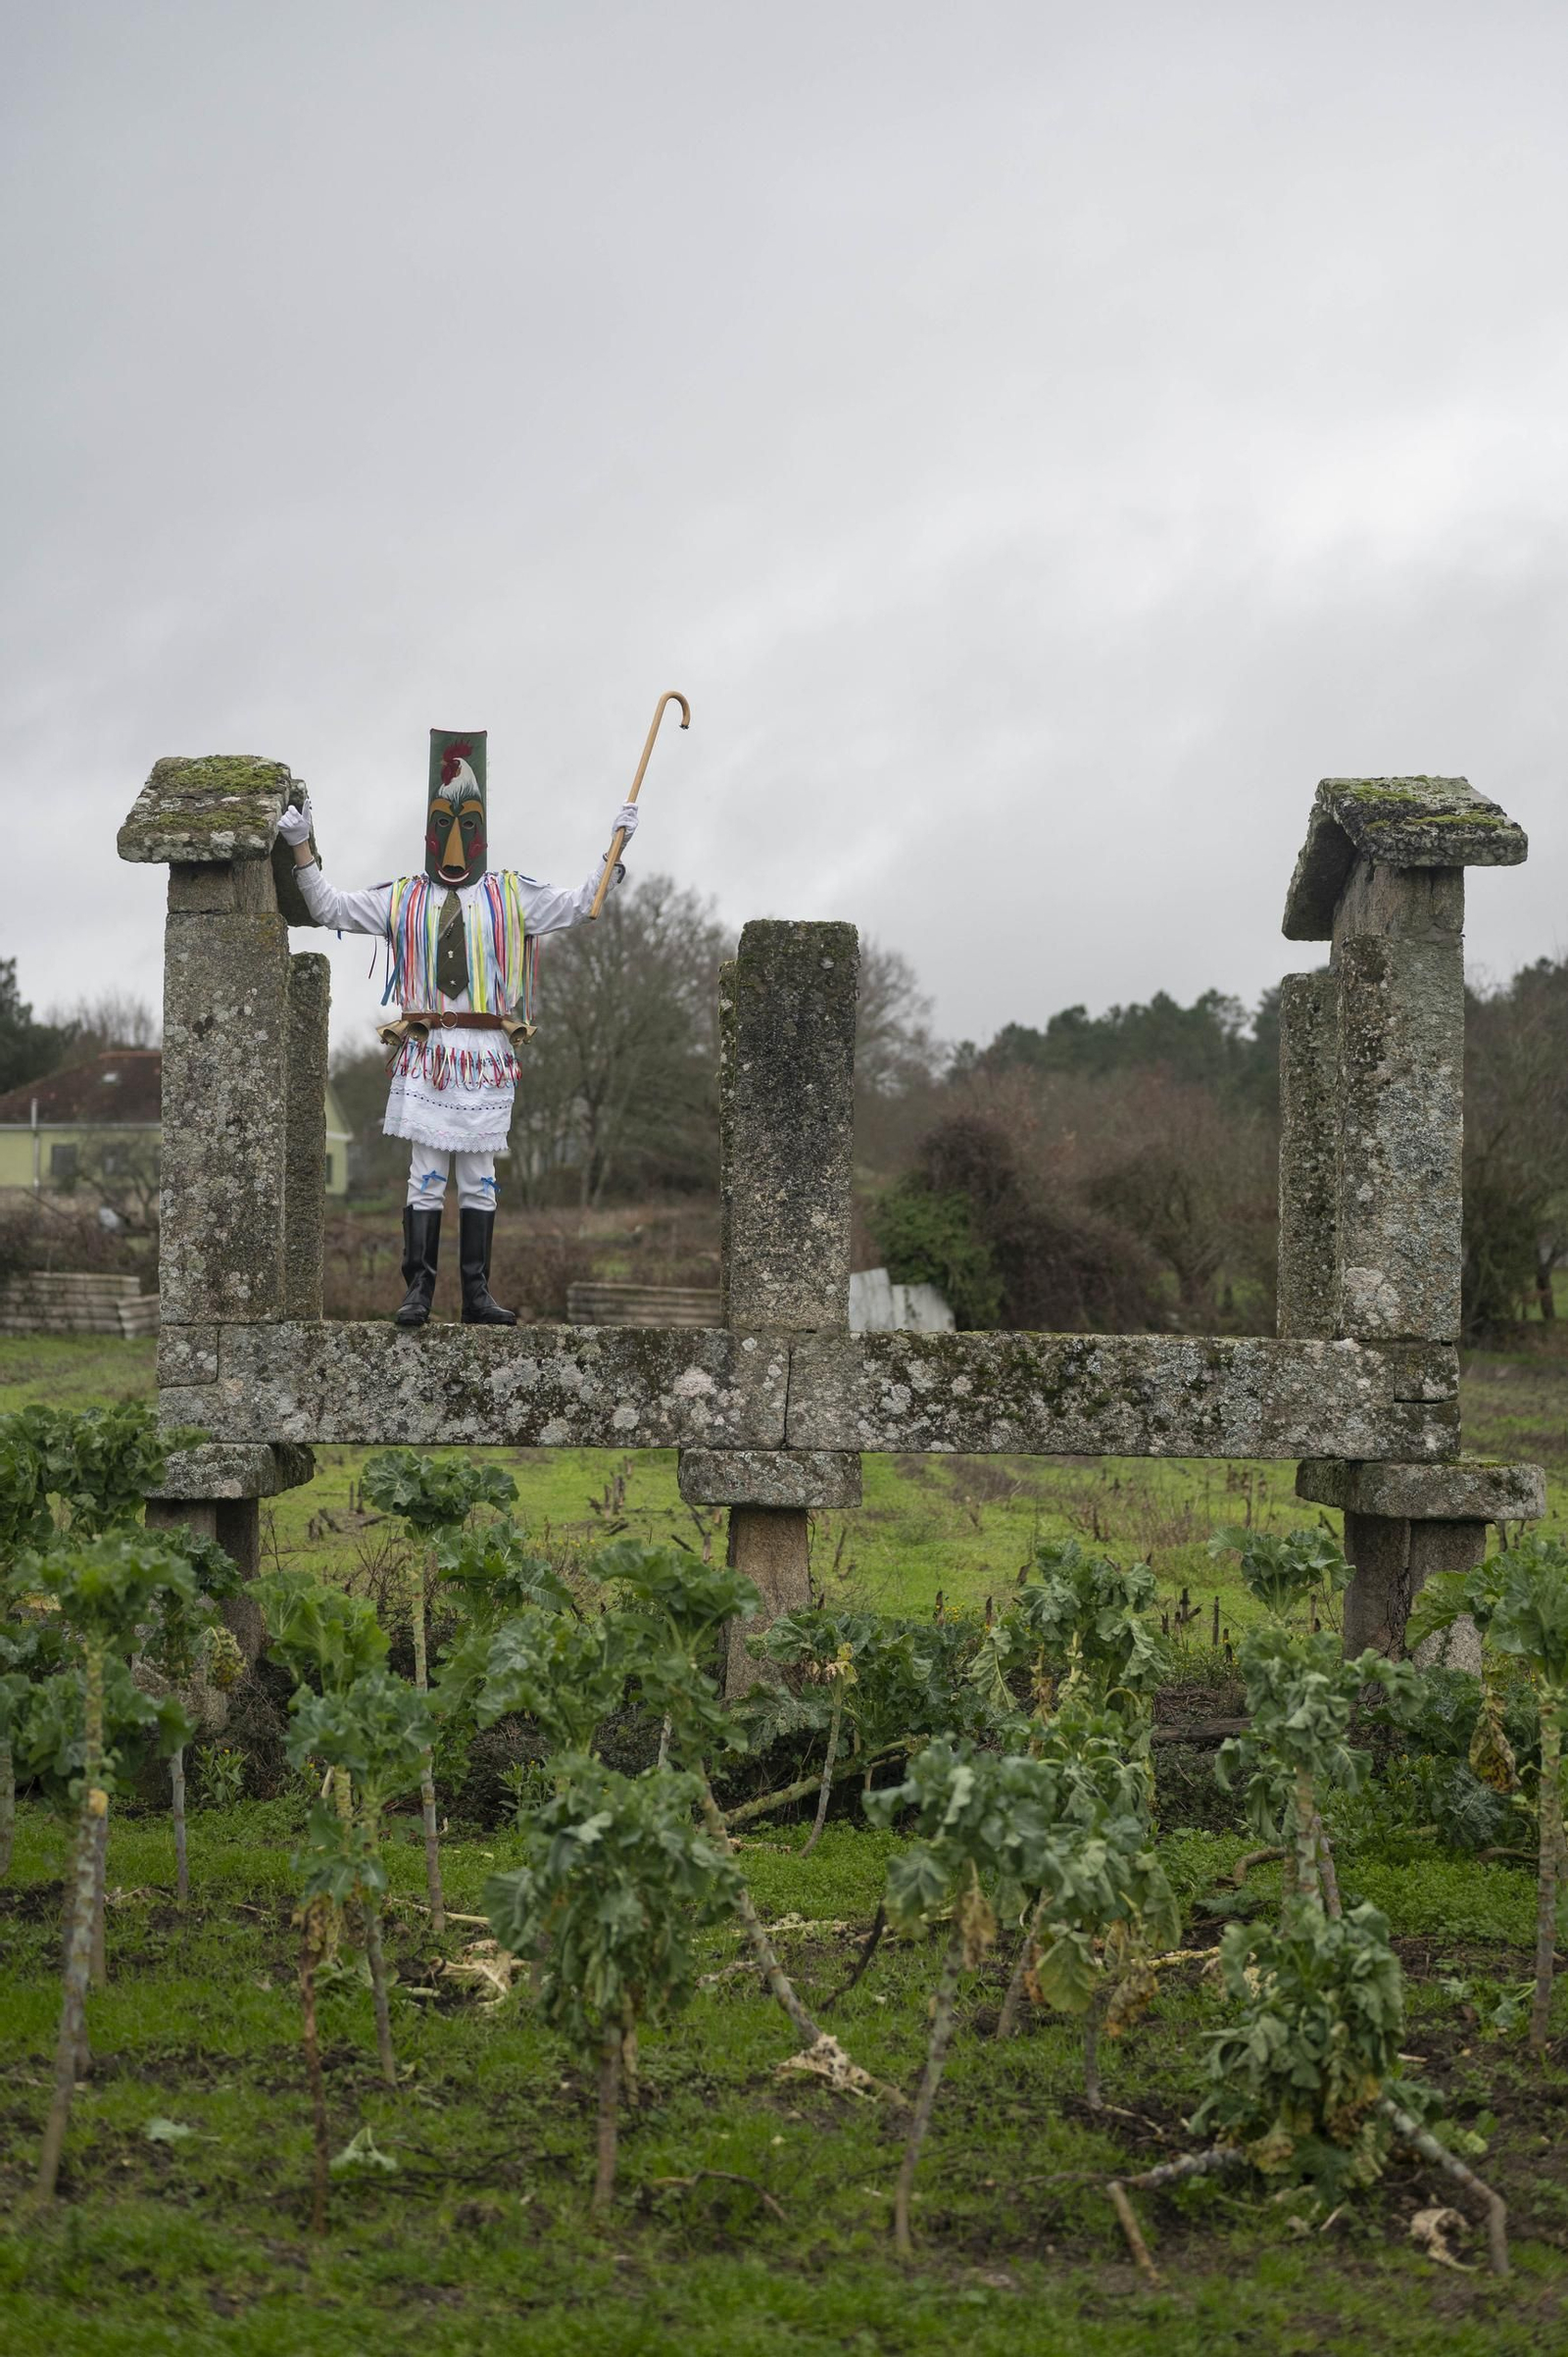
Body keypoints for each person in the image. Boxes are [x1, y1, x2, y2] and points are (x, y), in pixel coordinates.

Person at [276, 728, 637, 1328]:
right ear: (426, 831)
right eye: (443, 825)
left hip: (484, 1051)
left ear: (484, 835)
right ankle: (418, 1290)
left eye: (467, 826)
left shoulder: (511, 897)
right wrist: (302, 846)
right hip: (429, 1049)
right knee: (425, 1173)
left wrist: (612, 853)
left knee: (478, 1175)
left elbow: (582, 904)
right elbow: (329, 909)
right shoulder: (403, 898)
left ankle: (476, 1295)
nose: (453, 841)